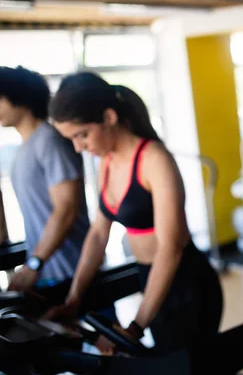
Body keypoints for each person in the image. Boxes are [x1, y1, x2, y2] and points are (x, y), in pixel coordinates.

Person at [44, 72, 223, 354]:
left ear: (109, 117)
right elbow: (98, 233)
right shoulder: (107, 160)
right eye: (72, 140)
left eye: (82, 135)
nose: (78, 147)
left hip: (185, 282)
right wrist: (74, 298)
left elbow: (170, 248)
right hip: (148, 276)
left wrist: (136, 326)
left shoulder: (154, 160)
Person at [0, 66, 90, 290]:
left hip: (72, 272)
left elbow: (66, 209)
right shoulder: (25, 147)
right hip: (47, 272)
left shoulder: (49, 141)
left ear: (18, 98)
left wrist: (34, 264)